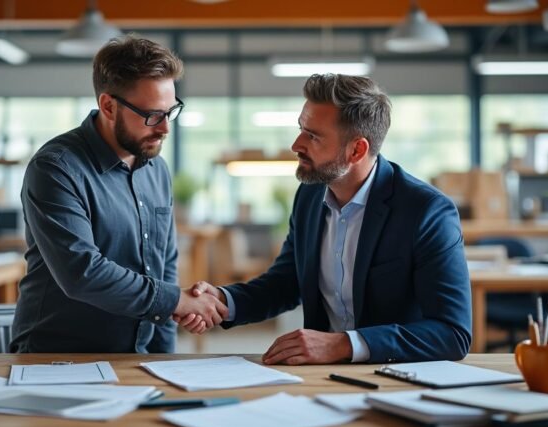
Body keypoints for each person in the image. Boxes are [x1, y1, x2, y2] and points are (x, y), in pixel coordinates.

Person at [178, 74, 471, 365]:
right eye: (301, 129)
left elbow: (452, 333)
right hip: (320, 375)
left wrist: (342, 344)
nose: (296, 144)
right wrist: (222, 301)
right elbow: (286, 282)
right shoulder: (309, 197)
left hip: (395, 376)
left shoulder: (426, 211)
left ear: (357, 150)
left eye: (313, 136)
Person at [11, 36, 227, 353]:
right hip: (57, 358)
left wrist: (163, 358)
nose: (165, 128)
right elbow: (83, 272)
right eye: (152, 115)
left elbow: (165, 266)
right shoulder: (55, 168)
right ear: (109, 106)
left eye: (171, 111)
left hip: (134, 357)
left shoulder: (156, 168)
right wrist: (176, 301)